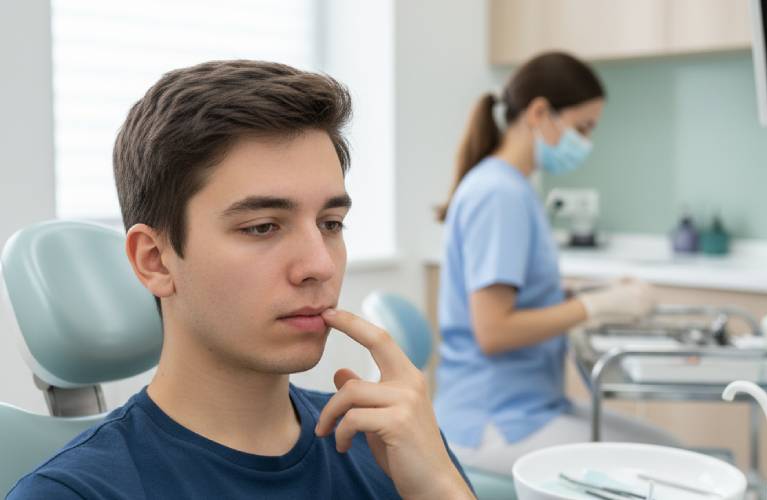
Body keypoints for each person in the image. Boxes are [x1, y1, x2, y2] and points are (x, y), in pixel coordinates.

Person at [8, 60, 473, 499]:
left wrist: (440, 487)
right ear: (155, 260)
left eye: (330, 223)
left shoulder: (390, 448)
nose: (320, 265)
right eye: (262, 227)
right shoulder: (75, 493)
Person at [434, 52, 678, 476]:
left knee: (671, 453)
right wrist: (595, 308)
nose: (586, 142)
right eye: (582, 127)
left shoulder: (513, 188)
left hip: (529, 407)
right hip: (494, 422)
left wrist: (596, 295)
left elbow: (523, 297)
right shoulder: (499, 195)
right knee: (670, 473)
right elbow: (493, 331)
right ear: (539, 112)